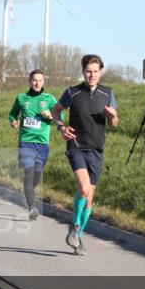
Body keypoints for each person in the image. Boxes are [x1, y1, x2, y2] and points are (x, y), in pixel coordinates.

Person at [51, 54, 118, 254]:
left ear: (100, 72)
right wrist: (61, 127)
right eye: (88, 71)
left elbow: (114, 124)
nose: (92, 75)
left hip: (97, 149)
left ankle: (77, 236)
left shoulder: (108, 93)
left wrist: (113, 117)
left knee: (89, 198)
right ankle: (76, 228)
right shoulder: (72, 92)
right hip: (76, 145)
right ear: (83, 72)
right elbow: (55, 110)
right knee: (83, 186)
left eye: (95, 71)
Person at [8, 69, 57, 220]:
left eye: (40, 80)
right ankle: (31, 207)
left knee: (37, 175)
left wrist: (50, 116)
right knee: (29, 172)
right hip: (26, 142)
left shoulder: (49, 99)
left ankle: (28, 192)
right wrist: (13, 121)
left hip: (42, 144)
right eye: (34, 80)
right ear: (30, 81)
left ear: (44, 82)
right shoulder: (22, 98)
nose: (37, 83)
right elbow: (12, 114)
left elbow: (59, 117)